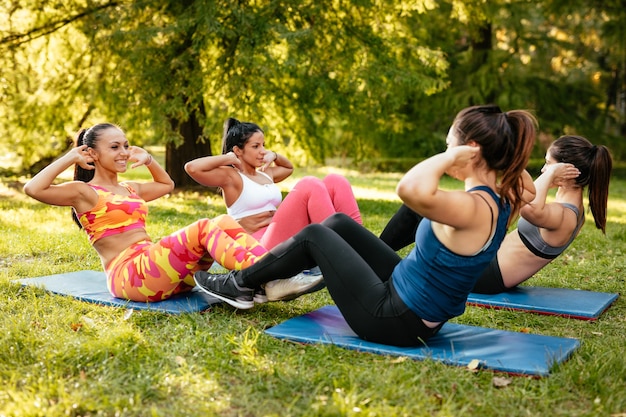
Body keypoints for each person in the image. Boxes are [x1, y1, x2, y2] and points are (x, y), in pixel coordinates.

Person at [193, 105, 537, 347]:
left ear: (469, 151)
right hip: (408, 295)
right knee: (337, 223)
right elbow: (528, 183)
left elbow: (409, 189)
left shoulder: (471, 206)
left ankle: (237, 284)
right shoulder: (507, 197)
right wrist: (494, 150)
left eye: (449, 145)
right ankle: (275, 277)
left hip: (393, 318)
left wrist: (451, 156)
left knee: (315, 234)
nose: (446, 152)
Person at [23, 123, 269, 303]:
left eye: (126, 146)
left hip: (160, 273)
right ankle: (271, 273)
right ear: (93, 154)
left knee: (223, 221)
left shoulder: (130, 188)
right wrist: (69, 158)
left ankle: (272, 266)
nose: (124, 152)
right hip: (130, 277)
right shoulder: (84, 192)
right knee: (203, 227)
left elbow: (166, 185)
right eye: (115, 147)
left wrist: (149, 160)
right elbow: (33, 188)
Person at [380, 135, 612, 294]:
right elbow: (522, 196)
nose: (543, 170)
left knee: (422, 213)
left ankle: (376, 255)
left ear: (568, 173)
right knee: (436, 213)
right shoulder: (568, 205)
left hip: (487, 275)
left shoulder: (566, 215)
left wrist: (550, 175)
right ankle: (378, 252)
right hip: (488, 261)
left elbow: (529, 206)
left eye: (548, 165)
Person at [184, 118, 362, 301]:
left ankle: (360, 246)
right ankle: (342, 251)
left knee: (335, 181)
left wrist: (274, 155)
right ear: (238, 150)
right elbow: (192, 168)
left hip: (278, 236)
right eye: (256, 146)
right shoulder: (231, 177)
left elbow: (288, 167)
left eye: (264, 145)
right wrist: (228, 158)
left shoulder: (265, 173)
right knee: (310, 184)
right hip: (258, 249)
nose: (262, 151)